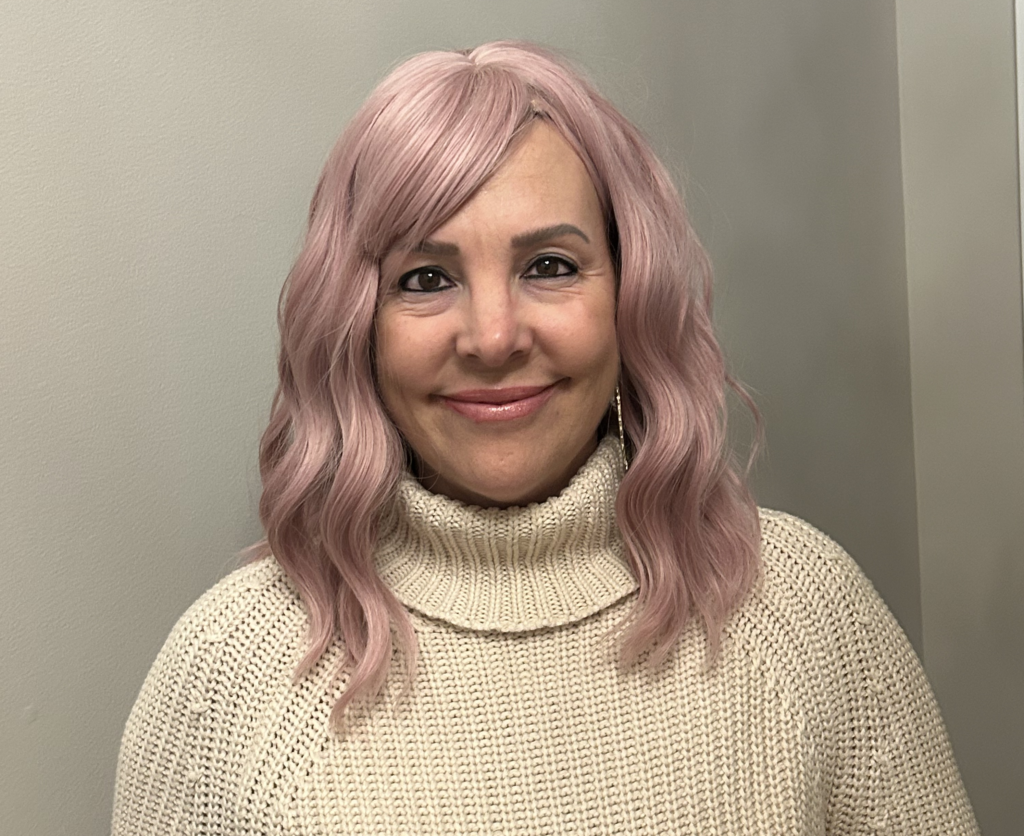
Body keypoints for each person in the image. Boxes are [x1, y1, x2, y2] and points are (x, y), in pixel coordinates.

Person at [112, 42, 979, 835]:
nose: (492, 337)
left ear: (628, 297)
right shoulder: (227, 674)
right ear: (358, 326)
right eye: (426, 278)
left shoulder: (804, 615)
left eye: (550, 267)